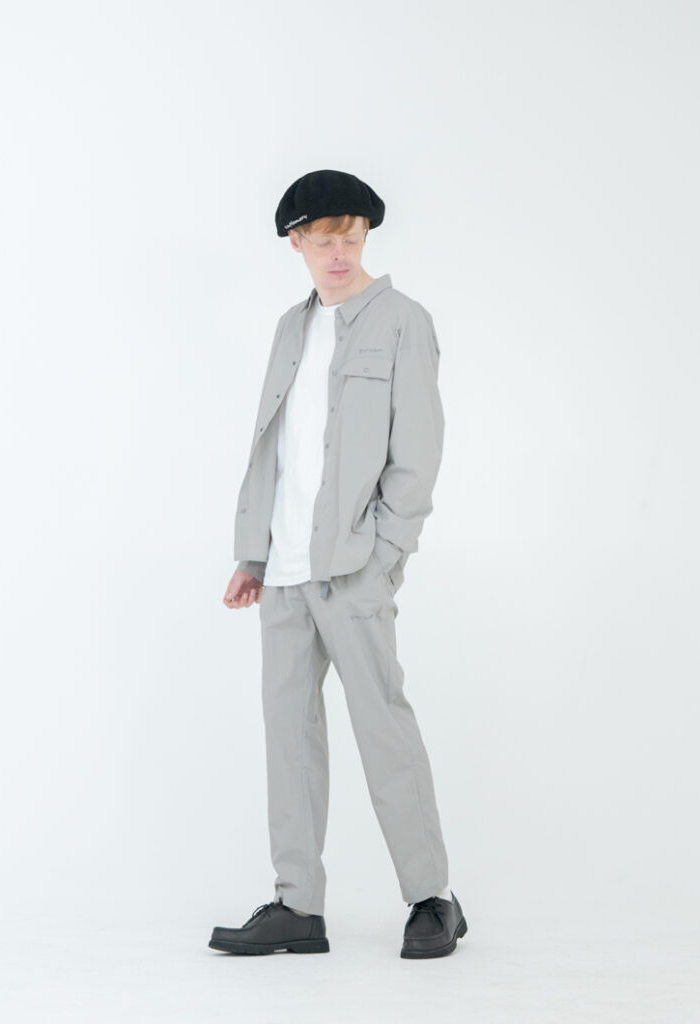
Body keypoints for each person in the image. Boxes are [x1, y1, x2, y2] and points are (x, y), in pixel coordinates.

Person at [208, 169, 467, 959]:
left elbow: (417, 455)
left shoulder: (402, 322)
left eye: (352, 236)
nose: (341, 253)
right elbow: (273, 447)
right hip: (283, 573)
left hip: (353, 568)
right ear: (297, 243)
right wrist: (254, 552)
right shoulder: (291, 329)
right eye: (325, 239)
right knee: (288, 737)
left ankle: (433, 899)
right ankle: (297, 905)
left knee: (383, 729)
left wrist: (386, 556)